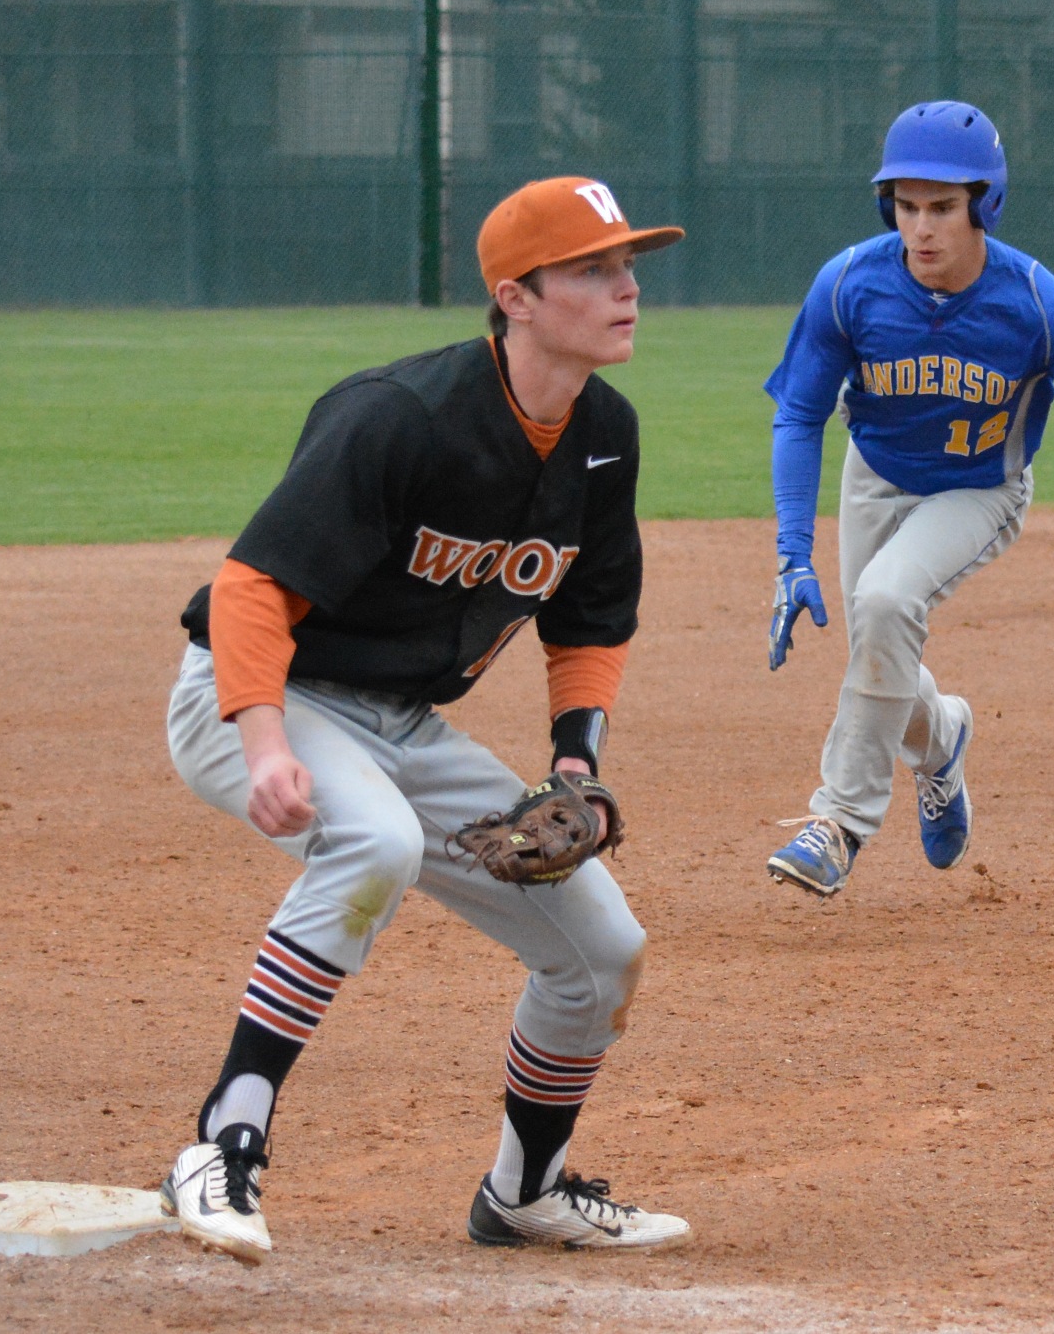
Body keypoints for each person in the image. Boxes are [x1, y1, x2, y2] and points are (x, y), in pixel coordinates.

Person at [157, 177, 691, 1263]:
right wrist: (262, 743)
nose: (625, 287)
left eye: (627, 264)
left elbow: (588, 619)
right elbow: (251, 589)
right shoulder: (399, 415)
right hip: (257, 692)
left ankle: (522, 1192)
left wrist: (572, 767)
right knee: (377, 843)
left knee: (603, 947)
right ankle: (222, 1143)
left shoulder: (601, 437)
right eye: (592, 269)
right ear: (517, 296)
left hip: (398, 725)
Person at [762, 101, 1054, 898]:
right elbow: (800, 414)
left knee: (884, 601)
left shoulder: (1037, 303)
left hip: (978, 488)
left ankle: (838, 822)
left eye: (943, 206)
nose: (922, 227)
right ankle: (942, 738)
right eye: (907, 205)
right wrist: (789, 552)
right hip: (873, 475)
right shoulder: (850, 284)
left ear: (984, 204)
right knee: (878, 645)